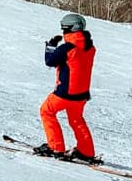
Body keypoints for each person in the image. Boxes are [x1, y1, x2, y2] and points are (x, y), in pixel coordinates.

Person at [34, 13, 99, 163]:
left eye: (65, 29)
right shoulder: (90, 48)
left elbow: (50, 61)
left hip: (65, 93)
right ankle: (86, 151)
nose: (64, 32)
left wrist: (51, 46)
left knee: (46, 112)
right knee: (76, 119)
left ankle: (56, 147)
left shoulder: (68, 47)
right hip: (81, 94)